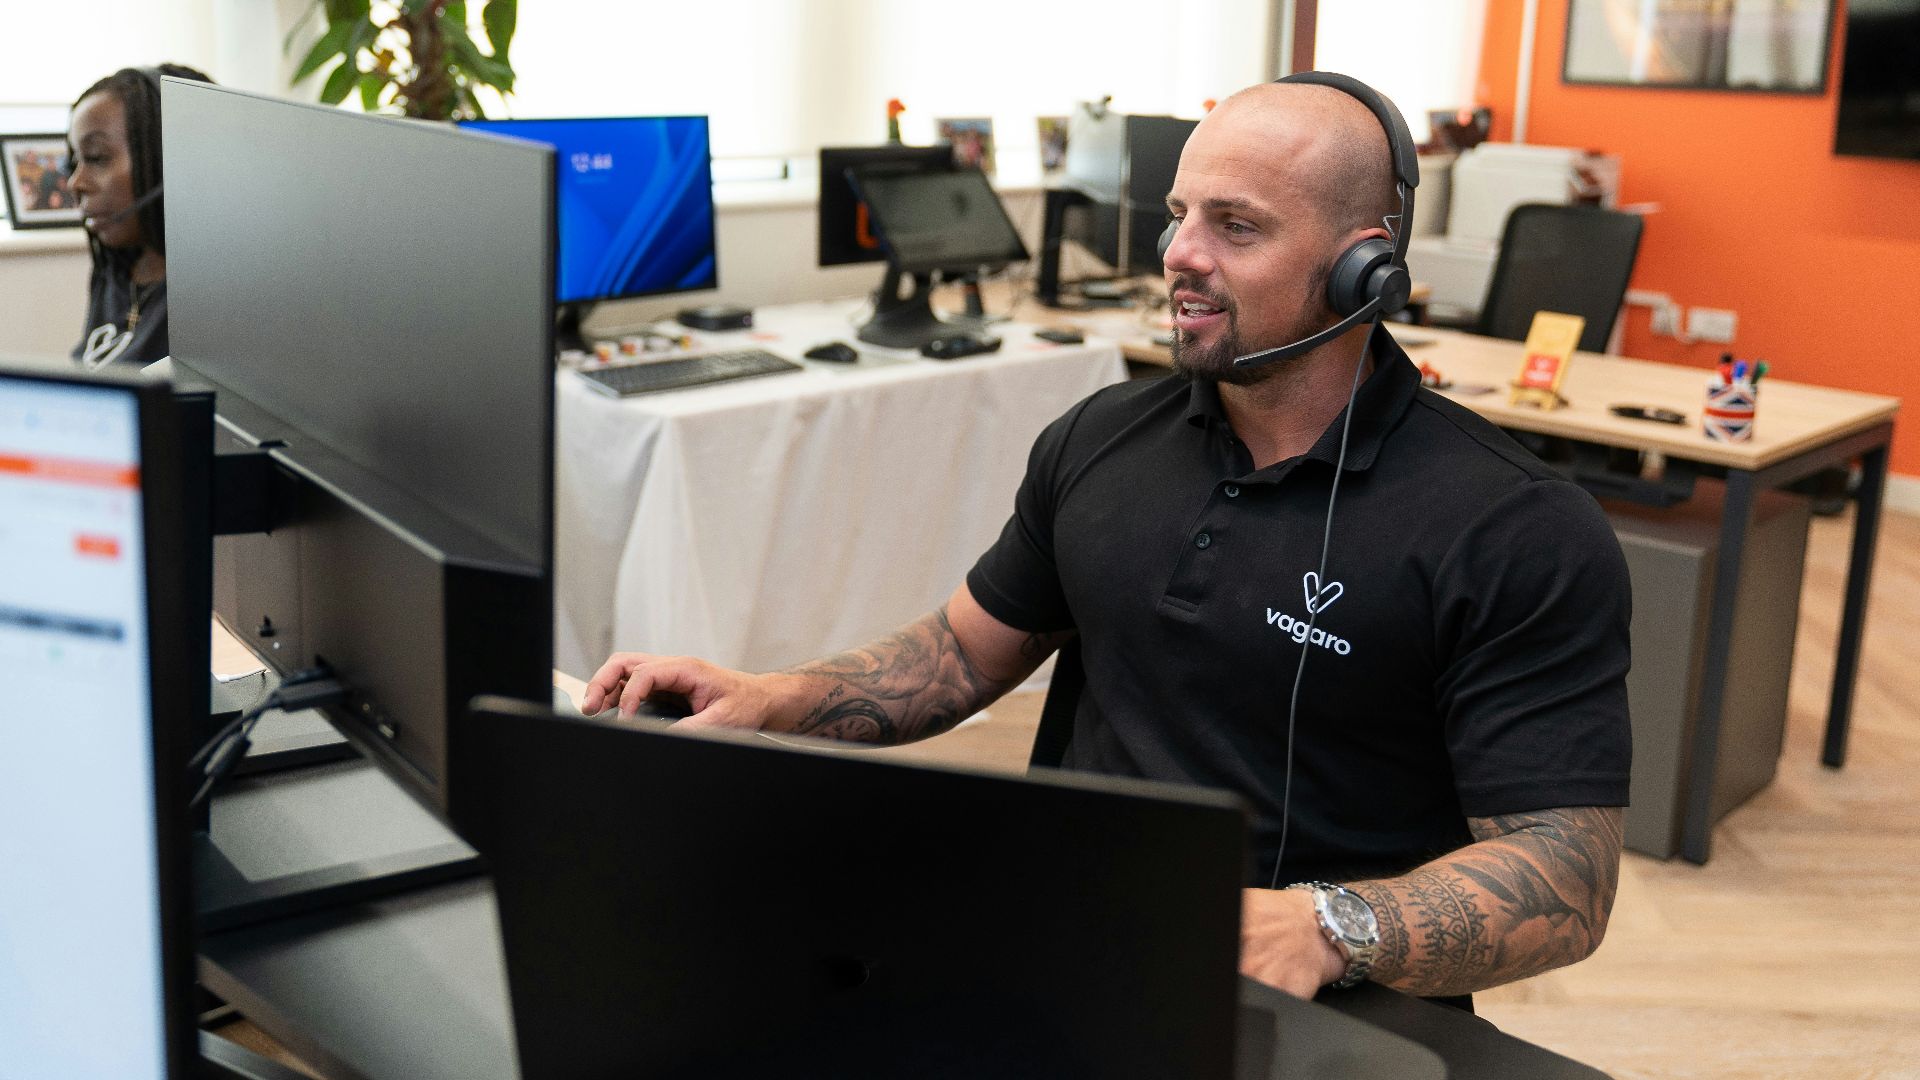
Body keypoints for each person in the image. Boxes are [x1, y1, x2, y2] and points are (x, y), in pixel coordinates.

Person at [582, 77, 1632, 1006]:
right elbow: (956, 656)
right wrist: (770, 699)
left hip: (1319, 1002)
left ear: (1366, 269)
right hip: (1058, 953)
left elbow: (1565, 879)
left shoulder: (1515, 529)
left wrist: (1324, 928)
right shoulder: (1099, 436)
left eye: (1237, 225)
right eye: (1181, 214)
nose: (1180, 253)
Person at [64, 64, 214, 369]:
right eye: (74, 162)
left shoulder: (220, 299)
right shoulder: (115, 271)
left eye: (96, 157)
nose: (75, 183)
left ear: (169, 154)